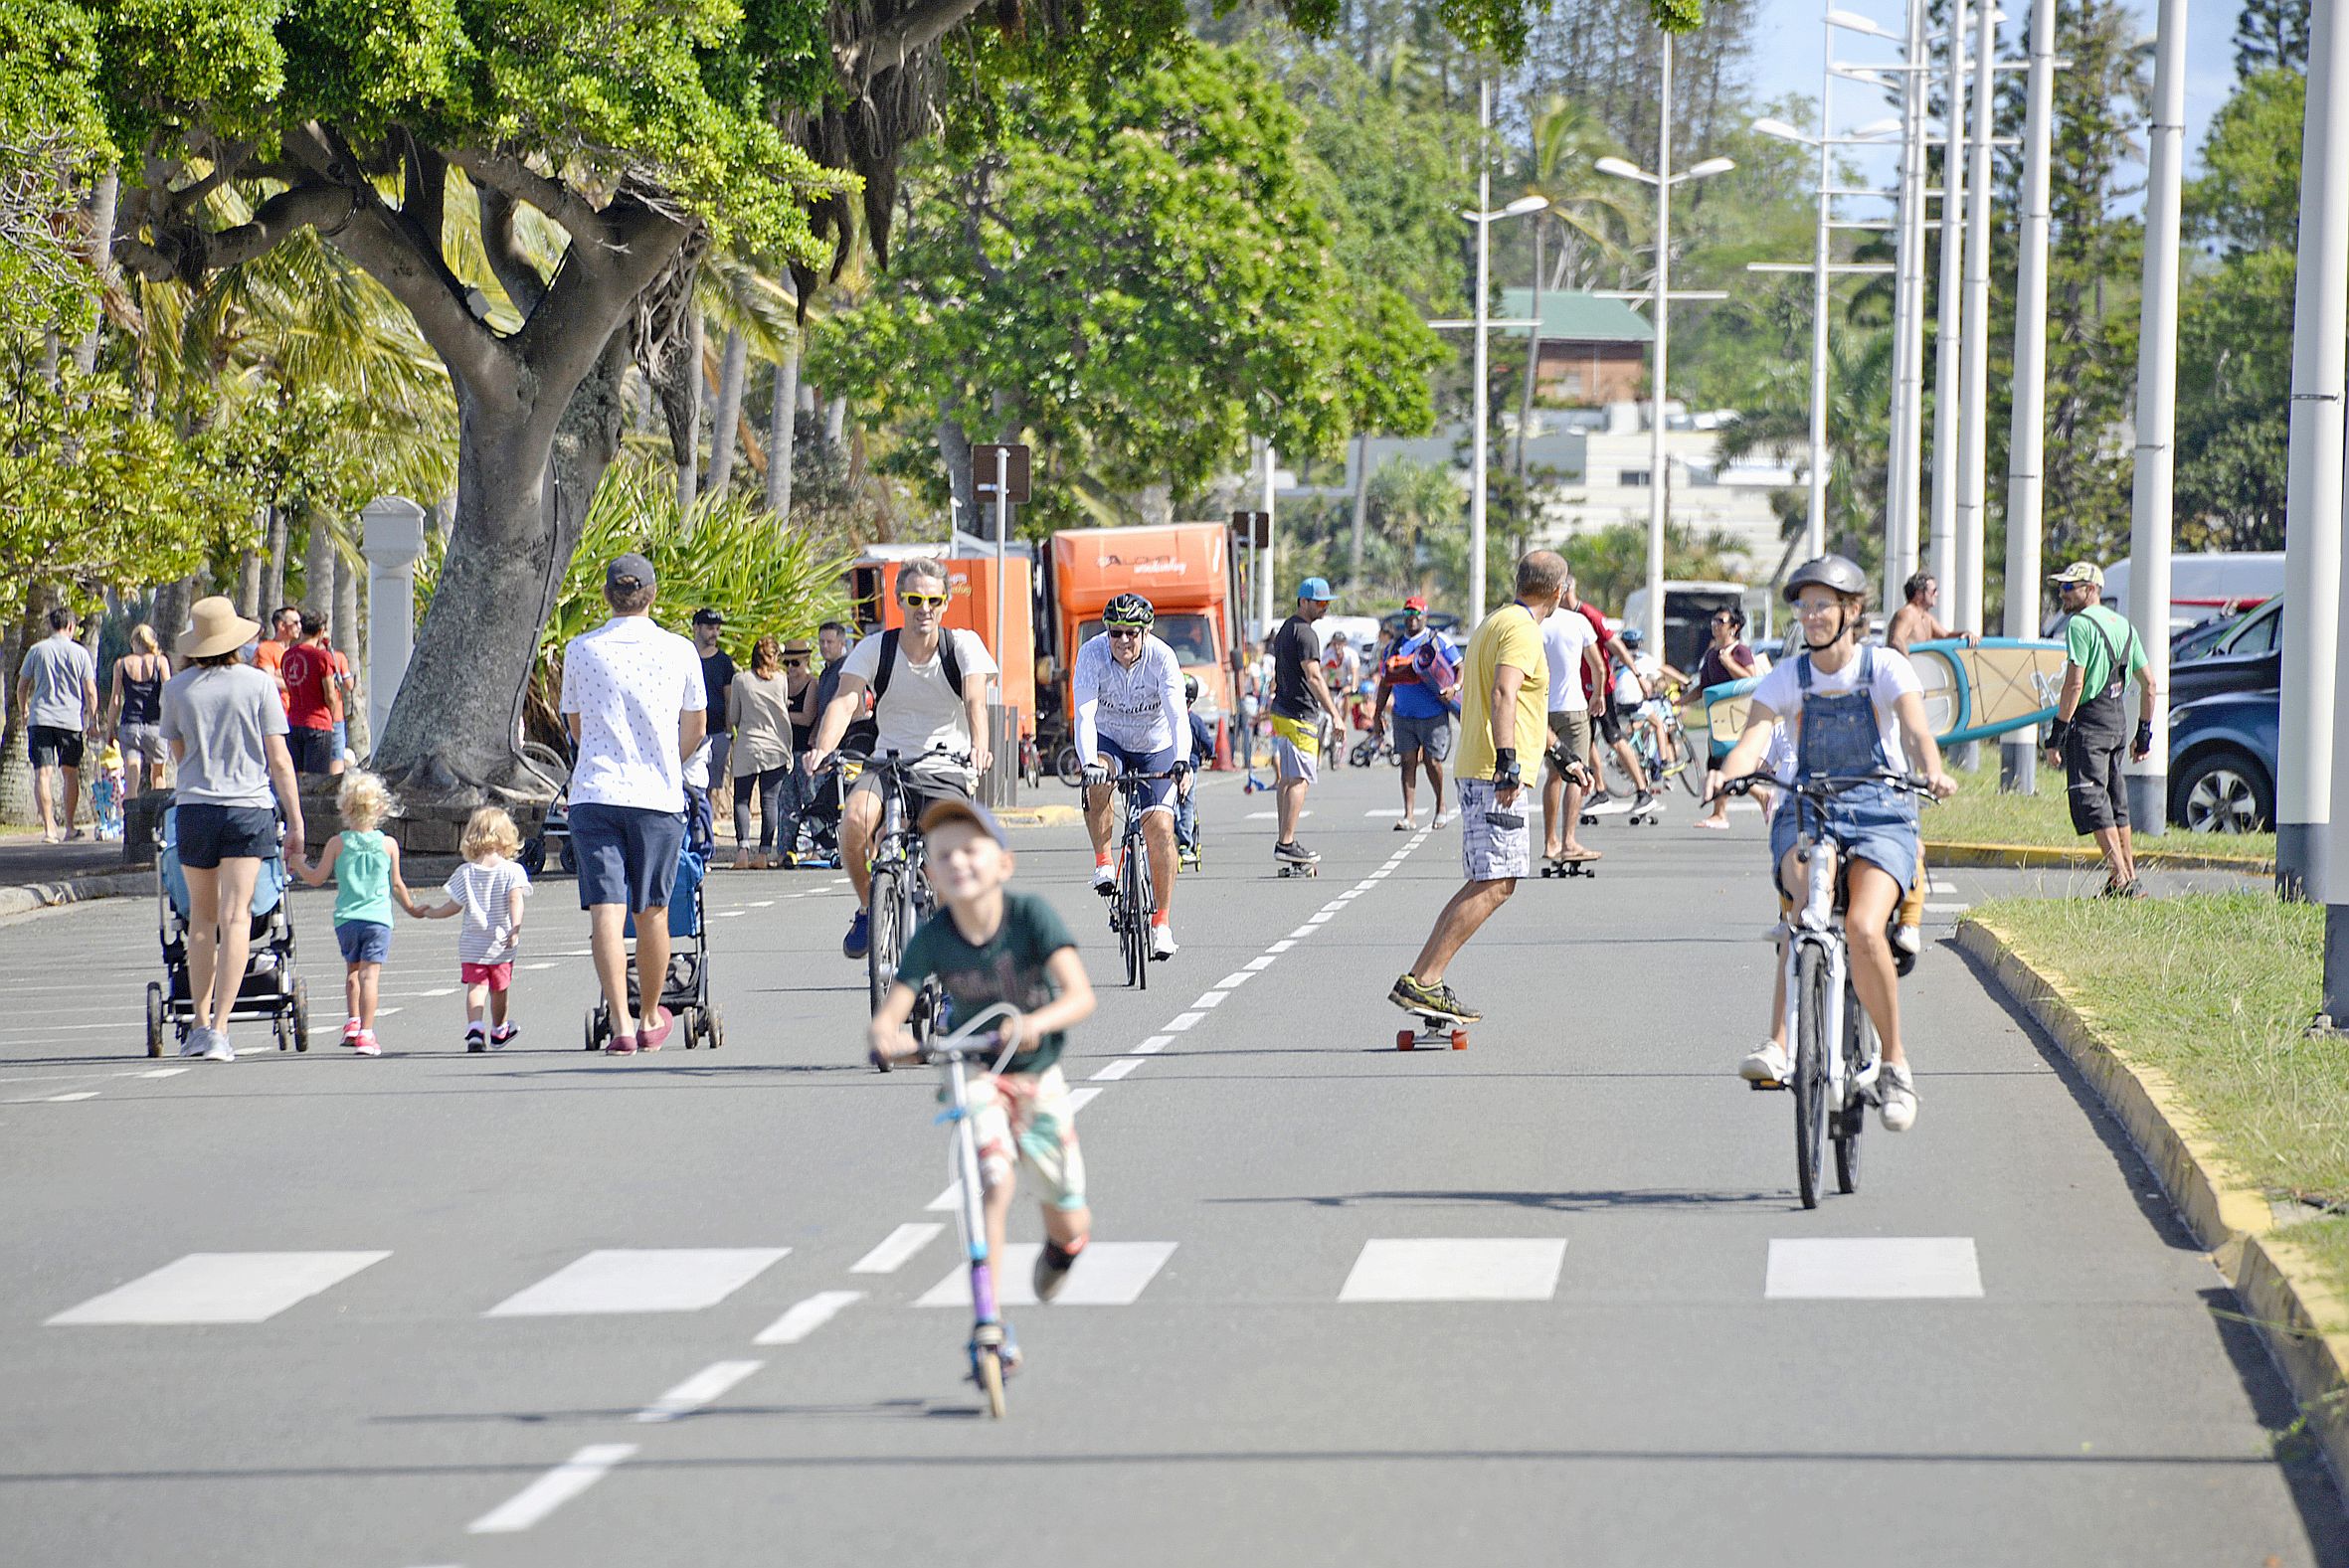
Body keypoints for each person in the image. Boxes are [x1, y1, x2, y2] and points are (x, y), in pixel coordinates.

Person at [1716, 556, 1955, 1131]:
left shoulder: (1885, 668)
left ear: (1852, 611)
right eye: (1805, 605)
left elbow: (1919, 732)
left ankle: (1895, 1064)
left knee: (1865, 927)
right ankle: (1780, 1044)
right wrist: (1728, 772)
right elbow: (1753, 737)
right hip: (1808, 807)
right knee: (1802, 915)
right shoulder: (1788, 677)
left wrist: (1933, 770)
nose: (1813, 615)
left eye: (1824, 604)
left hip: (1880, 810)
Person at [868, 798, 1098, 1371]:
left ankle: (1061, 1249)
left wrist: (1030, 1026)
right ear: (930, 873)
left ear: (1003, 863)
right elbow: (890, 1012)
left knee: (1069, 1215)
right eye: (943, 855)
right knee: (991, 1181)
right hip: (974, 1072)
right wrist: (889, 1038)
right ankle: (989, 1322)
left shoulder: (1031, 917)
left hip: (1037, 1074)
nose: (958, 863)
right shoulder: (933, 937)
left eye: (972, 850)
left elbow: (1080, 996)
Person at [1389, 552, 1567, 1026]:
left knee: (1488, 880)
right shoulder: (1524, 631)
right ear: (1558, 590)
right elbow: (1504, 692)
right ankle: (1424, 978)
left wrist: (1560, 753)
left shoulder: (1495, 622)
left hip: (1480, 764)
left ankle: (1422, 978)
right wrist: (1509, 762)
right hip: (1495, 771)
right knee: (1496, 883)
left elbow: (1516, 702)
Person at [804, 557, 996, 959]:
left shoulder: (962, 646)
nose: (923, 608)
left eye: (933, 599)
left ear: (944, 603)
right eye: (914, 599)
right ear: (899, 602)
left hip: (945, 766)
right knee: (854, 820)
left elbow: (976, 700)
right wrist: (823, 747)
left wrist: (979, 746)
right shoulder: (877, 648)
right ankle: (868, 906)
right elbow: (845, 700)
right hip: (888, 764)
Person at [560, 553, 707, 1055]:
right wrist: (670, 759)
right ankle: (649, 1014)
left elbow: (576, 726)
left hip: (595, 791)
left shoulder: (581, 650)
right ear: (652, 594)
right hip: (656, 796)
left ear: (607, 595)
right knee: (653, 912)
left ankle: (620, 1022)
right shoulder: (680, 650)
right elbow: (697, 725)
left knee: (605, 910)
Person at [159, 597, 308, 1063]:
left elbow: (179, 753)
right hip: (248, 808)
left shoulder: (177, 688)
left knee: (200, 922)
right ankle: (223, 1028)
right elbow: (279, 760)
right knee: (237, 916)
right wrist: (297, 820)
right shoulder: (258, 684)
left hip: (196, 808)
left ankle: (199, 1025)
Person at [1073, 593, 1190, 960]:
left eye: (1132, 633)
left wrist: (1182, 761)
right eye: (1116, 633)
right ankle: (1104, 863)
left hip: (1155, 743)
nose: (1123, 641)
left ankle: (1161, 924)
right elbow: (1085, 715)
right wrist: (1089, 761)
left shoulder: (1162, 657)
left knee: (1160, 828)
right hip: (1110, 738)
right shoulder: (1092, 654)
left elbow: (1177, 716)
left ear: (1147, 631)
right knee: (1099, 779)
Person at [2044, 561, 2159, 899]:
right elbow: (2149, 684)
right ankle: (2125, 876)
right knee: (2114, 799)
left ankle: (2121, 877)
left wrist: (2057, 734)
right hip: (2117, 721)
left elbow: (2075, 682)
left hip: (2089, 723)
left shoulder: (2079, 624)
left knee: (2091, 796)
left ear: (2091, 590)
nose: (2062, 593)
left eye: (2069, 587)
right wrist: (2145, 733)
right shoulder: (2124, 626)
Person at [293, 769, 419, 1057]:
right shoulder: (388, 845)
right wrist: (412, 908)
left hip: (347, 919)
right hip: (377, 920)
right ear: (380, 807)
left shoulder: (338, 843)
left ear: (345, 807)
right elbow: (396, 884)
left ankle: (352, 1021)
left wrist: (298, 863)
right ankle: (366, 1032)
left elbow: (316, 878)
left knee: (352, 973)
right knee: (369, 977)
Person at [411, 806, 535, 1051]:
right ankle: (499, 1030)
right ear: (507, 835)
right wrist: (516, 928)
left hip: (472, 943)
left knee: (476, 987)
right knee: (499, 989)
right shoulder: (512, 871)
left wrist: (432, 912)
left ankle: (475, 1029)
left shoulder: (465, 873)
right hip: (500, 943)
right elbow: (515, 900)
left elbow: (453, 906)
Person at [1268, 579, 1344, 867]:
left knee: (1287, 778)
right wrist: (1335, 714)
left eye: (1327, 603)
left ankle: (1284, 839)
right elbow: (1313, 676)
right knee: (1300, 779)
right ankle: (1286, 842)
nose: (1324, 608)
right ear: (1303, 602)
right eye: (1320, 603)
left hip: (1282, 711)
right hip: (1300, 715)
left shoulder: (1286, 628)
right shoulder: (1306, 634)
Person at [1369, 596, 1461, 831]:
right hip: (1403, 715)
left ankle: (1441, 807)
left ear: (1425, 616)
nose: (1412, 619)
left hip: (1433, 714)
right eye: (1408, 615)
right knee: (1407, 762)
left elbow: (1460, 667)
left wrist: (1455, 688)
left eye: (1416, 614)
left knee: (1433, 762)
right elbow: (1384, 683)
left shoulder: (1438, 640)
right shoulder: (1394, 646)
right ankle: (1408, 815)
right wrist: (1377, 715)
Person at [1538, 574, 1605, 865]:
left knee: (1553, 775)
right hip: (1574, 707)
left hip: (1544, 708)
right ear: (1563, 591)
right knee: (1576, 774)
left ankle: (1550, 841)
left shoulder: (1537, 623)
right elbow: (1598, 666)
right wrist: (1598, 696)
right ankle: (1569, 840)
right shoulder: (1578, 622)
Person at [17, 606, 99, 841]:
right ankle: (70, 826)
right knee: (70, 773)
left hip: (40, 718)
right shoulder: (80, 653)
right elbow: (90, 691)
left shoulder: (36, 650)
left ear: (51, 625)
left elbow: (22, 686)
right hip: (70, 721)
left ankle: (49, 828)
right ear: (71, 626)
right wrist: (93, 720)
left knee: (42, 774)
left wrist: (24, 710)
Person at [728, 635, 797, 869]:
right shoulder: (781, 680)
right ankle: (763, 855)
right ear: (775, 656)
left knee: (742, 799)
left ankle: (742, 852)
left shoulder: (741, 680)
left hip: (748, 745)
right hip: (775, 746)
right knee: (770, 801)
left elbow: (734, 717)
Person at [1694, 606, 1762, 829]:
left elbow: (1751, 679)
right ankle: (1757, 799)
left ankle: (1721, 813)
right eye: (1714, 620)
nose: (1715, 625)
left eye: (1721, 621)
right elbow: (1703, 686)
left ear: (1734, 627)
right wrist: (1678, 702)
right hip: (1718, 720)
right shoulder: (1711, 654)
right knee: (1716, 764)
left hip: (1737, 718)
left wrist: (1729, 663)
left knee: (1724, 766)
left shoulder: (1739, 651)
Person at [106, 623, 172, 797]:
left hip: (130, 726)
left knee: (131, 779)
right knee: (158, 776)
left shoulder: (121, 664)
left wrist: (110, 728)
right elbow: (169, 692)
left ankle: (132, 822)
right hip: (155, 727)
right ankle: (158, 821)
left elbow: (115, 699)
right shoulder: (161, 662)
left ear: (134, 642)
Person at [278, 610, 342, 776]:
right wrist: (333, 716)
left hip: (294, 721)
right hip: (318, 722)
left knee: (297, 776)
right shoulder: (322, 657)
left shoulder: (287, 656)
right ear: (321, 631)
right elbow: (329, 695)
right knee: (316, 779)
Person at [691, 608, 735, 815]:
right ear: (696, 627)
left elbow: (729, 698)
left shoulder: (724, 662)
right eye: (710, 628)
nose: (714, 633)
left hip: (717, 731)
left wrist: (729, 731)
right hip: (689, 730)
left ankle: (705, 825)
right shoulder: (685, 656)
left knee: (709, 783)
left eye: (717, 628)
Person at [1886, 571, 1981, 654]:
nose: (1936, 594)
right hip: (1904, 671)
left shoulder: (1927, 618)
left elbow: (1946, 636)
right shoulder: (1907, 614)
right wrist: (1908, 668)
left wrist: (1965, 634)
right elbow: (1896, 641)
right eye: (1933, 591)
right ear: (1919, 594)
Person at [1174, 674, 1214, 866]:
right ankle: (1185, 843)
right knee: (1187, 805)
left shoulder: (1168, 719)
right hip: (1191, 770)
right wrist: (1211, 753)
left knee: (1170, 805)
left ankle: (1170, 838)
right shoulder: (1195, 721)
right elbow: (1207, 742)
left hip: (1170, 768)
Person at [254, 606, 300, 709]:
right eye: (295, 623)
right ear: (282, 625)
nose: (299, 627)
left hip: (297, 714)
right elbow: (269, 679)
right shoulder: (266, 648)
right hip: (277, 710)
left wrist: (281, 675)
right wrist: (297, 685)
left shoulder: (297, 652)